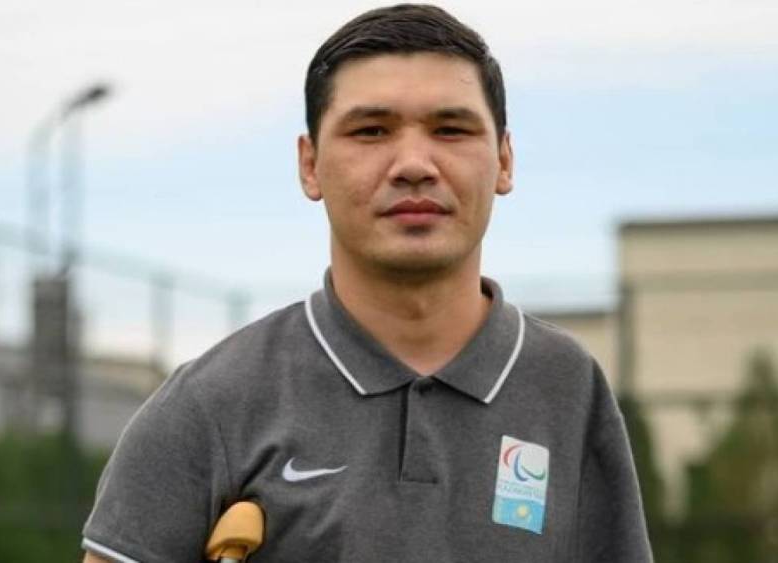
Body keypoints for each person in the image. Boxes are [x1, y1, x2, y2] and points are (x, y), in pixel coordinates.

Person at [82, 4, 652, 562]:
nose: (414, 164)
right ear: (310, 165)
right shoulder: (209, 405)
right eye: (372, 131)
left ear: (504, 160)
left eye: (451, 129)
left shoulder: (568, 387)